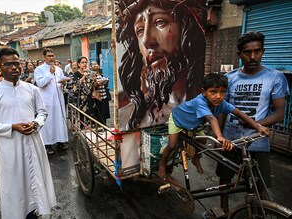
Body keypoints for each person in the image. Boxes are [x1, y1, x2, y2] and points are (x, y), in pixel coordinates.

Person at [214, 31, 290, 216]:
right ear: (239, 54)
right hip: (230, 140)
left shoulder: (275, 77)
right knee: (225, 179)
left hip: (257, 140)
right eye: (248, 52)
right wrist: (219, 136)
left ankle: (262, 213)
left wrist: (256, 124)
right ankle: (224, 211)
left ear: (263, 51)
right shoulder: (229, 78)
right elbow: (222, 109)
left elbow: (279, 113)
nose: (253, 56)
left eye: (257, 51)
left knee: (260, 184)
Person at [0, 48, 57, 219]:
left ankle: (35, 211)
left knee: (36, 181)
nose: (14, 67)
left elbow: (43, 112)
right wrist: (12, 127)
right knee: (15, 187)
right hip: (10, 148)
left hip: (34, 142)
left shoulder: (32, 89)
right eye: (8, 64)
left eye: (16, 63)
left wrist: (35, 123)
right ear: (0, 68)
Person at [115, 0, 206, 130]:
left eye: (160, 22)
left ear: (186, 27)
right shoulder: (128, 116)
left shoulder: (202, 107)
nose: (147, 40)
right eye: (139, 30)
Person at [158, 73, 270, 179]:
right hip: (178, 119)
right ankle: (162, 165)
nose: (218, 96)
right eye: (213, 92)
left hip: (194, 124)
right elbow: (212, 118)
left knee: (202, 142)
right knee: (172, 145)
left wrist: (258, 127)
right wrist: (220, 137)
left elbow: (238, 113)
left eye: (222, 92)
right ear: (204, 92)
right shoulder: (200, 102)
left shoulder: (222, 103)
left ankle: (196, 158)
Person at [34, 48, 69, 155]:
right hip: (47, 100)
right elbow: (40, 84)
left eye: (52, 55)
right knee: (48, 122)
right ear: (44, 57)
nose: (51, 58)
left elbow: (60, 80)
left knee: (59, 120)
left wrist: (64, 83)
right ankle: (48, 144)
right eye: (49, 56)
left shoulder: (58, 69)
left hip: (58, 99)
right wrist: (49, 74)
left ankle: (60, 141)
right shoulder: (39, 69)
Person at [91, 61, 110, 125]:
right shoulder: (92, 75)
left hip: (104, 97)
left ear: (98, 66)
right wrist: (99, 83)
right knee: (99, 115)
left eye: (95, 64)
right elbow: (93, 86)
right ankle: (99, 127)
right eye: (93, 65)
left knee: (104, 114)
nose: (94, 66)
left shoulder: (102, 75)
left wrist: (105, 82)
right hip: (97, 98)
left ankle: (104, 126)